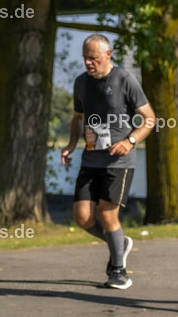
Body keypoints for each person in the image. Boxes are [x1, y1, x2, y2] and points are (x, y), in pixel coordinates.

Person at [60, 34, 155, 290]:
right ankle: (119, 244)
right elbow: (78, 117)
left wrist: (130, 141)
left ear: (108, 55)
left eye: (93, 58)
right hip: (91, 159)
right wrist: (71, 145)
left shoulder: (125, 79)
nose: (88, 63)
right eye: (85, 58)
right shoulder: (81, 83)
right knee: (82, 217)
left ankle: (119, 271)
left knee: (107, 214)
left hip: (119, 161)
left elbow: (149, 119)